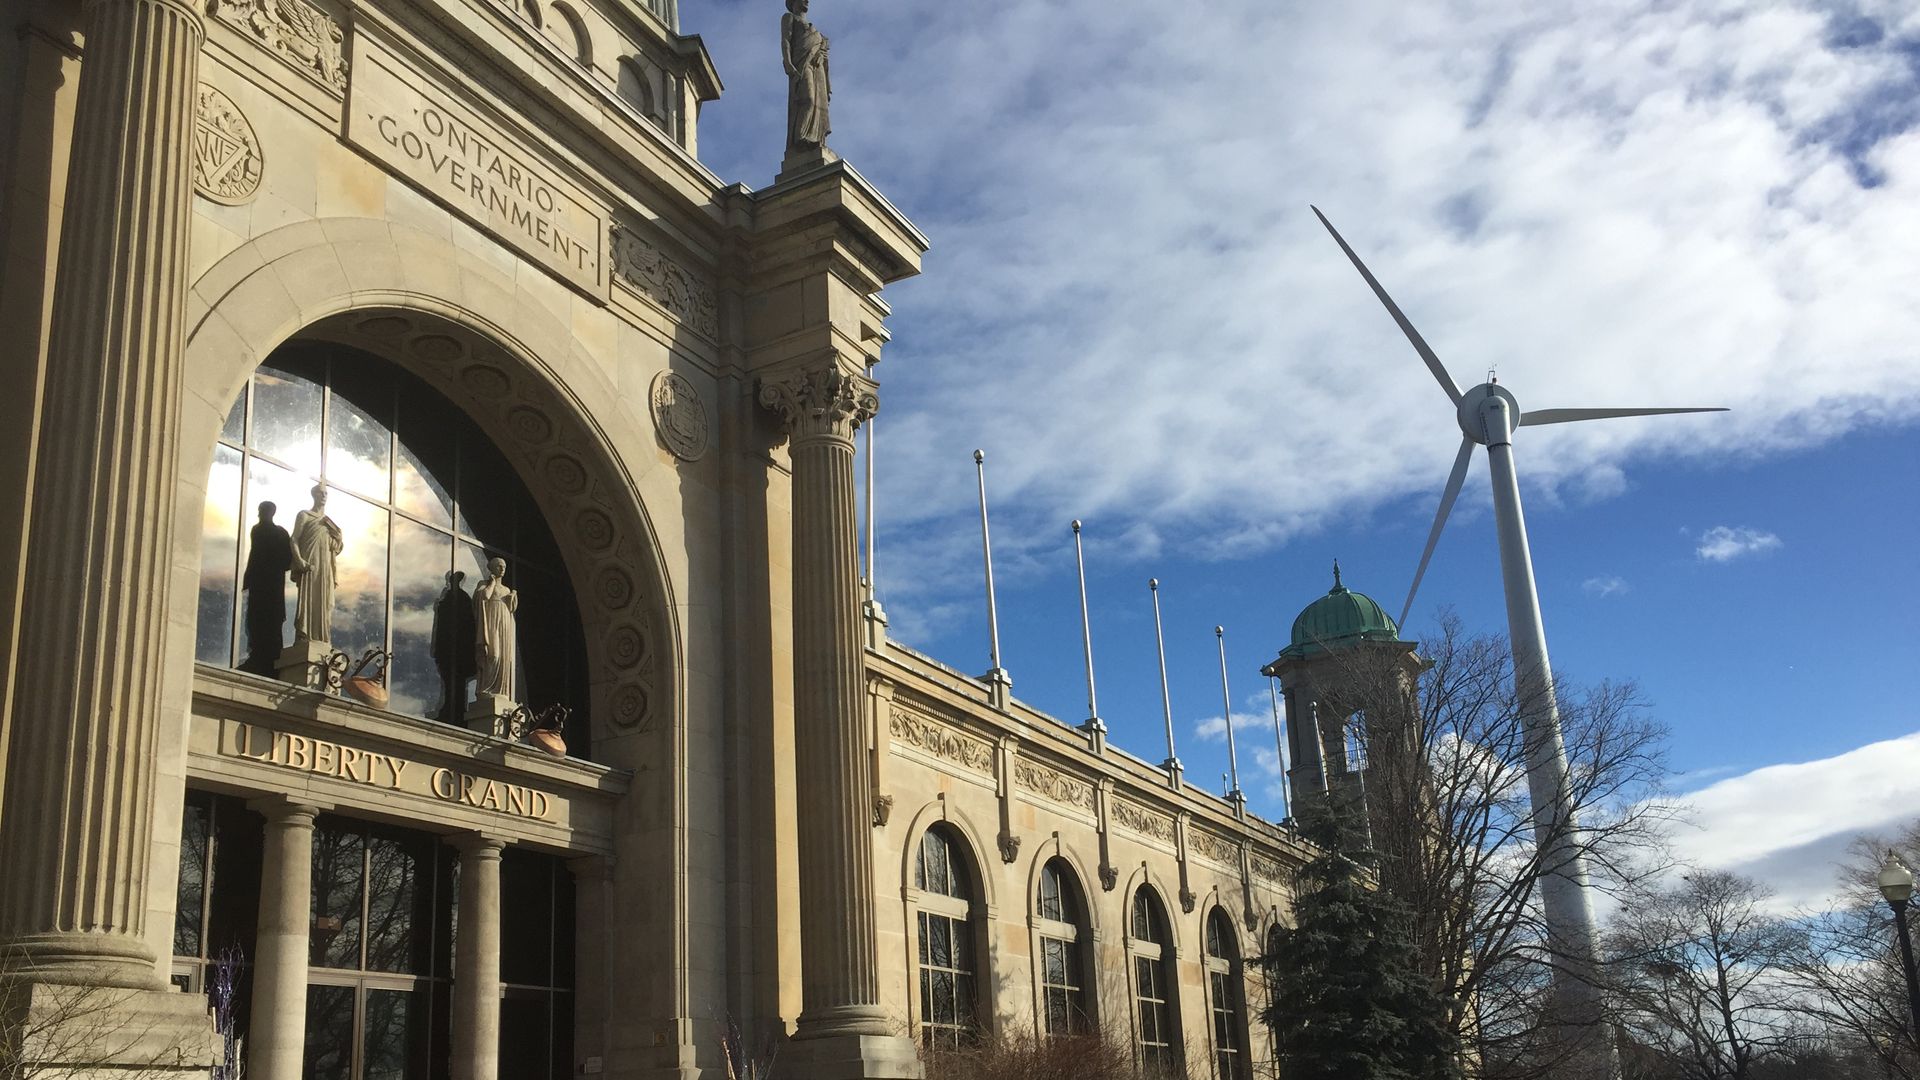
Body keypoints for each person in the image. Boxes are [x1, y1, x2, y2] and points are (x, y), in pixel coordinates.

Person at [240, 501, 292, 674]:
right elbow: (253, 555)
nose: (259, 513)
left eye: (262, 510)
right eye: (259, 510)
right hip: (262, 584)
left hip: (271, 585)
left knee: (269, 619)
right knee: (257, 618)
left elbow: (287, 561)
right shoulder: (259, 530)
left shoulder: (278, 533)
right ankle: (259, 655)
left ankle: (269, 657)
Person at [289, 484, 343, 644]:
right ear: (314, 495)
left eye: (326, 493)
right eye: (321, 493)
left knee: (325, 602)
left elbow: (335, 547)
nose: (324, 496)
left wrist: (338, 538)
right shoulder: (305, 515)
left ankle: (321, 637)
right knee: (309, 599)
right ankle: (305, 635)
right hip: (310, 565)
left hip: (325, 568)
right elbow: (294, 539)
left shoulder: (328, 523)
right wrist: (299, 560)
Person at [781, 0, 831, 151]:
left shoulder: (814, 29)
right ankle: (800, 138)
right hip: (801, 64)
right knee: (808, 99)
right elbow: (786, 41)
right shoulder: (789, 17)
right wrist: (788, 62)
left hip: (817, 66)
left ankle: (815, 137)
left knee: (819, 102)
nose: (807, 1)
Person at [430, 570, 476, 724]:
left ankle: (455, 709)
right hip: (447, 647)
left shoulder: (462, 597)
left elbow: (468, 622)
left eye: (456, 580)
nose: (453, 583)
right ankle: (450, 708)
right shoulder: (448, 597)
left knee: (456, 681)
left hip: (457, 649)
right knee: (449, 679)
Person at [473, 557, 519, 701]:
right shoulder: (484, 584)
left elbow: (511, 608)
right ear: (492, 568)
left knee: (504, 658)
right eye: (499, 566)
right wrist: (492, 583)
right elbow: (483, 597)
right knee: (493, 655)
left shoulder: (506, 589)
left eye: (504, 566)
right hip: (491, 620)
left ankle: (500, 690)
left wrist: (512, 598)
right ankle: (485, 688)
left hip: (504, 622)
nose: (502, 569)